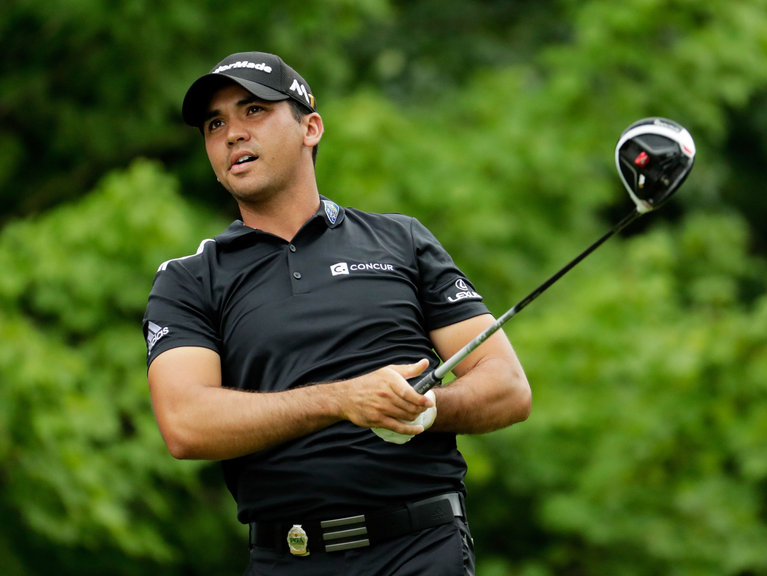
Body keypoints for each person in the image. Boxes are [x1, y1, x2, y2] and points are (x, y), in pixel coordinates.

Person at [143, 51, 531, 576]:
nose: (233, 133)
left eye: (253, 110)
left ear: (311, 127)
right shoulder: (190, 279)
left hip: (421, 550)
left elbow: (507, 386)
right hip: (291, 558)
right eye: (216, 124)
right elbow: (186, 424)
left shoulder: (401, 240)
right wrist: (343, 400)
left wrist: (424, 408)